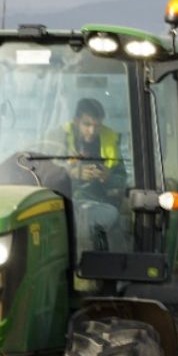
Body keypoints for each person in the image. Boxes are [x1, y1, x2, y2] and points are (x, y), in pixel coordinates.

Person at [62, 98, 125, 250]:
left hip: (98, 204)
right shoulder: (60, 140)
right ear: (77, 121)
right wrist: (73, 174)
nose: (92, 131)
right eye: (87, 124)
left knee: (111, 216)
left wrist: (108, 177)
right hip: (63, 203)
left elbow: (122, 179)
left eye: (97, 126)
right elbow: (46, 176)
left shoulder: (110, 143)